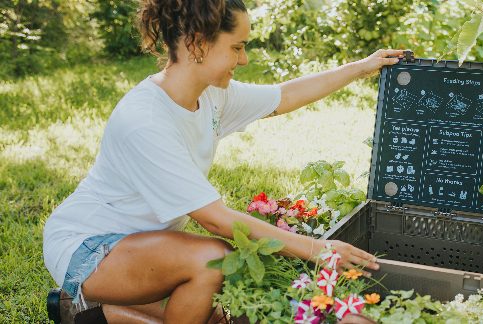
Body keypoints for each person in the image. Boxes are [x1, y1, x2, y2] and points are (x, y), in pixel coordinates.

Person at [42, 0, 405, 322]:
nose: (244, 60)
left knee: (217, 315)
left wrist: (363, 67)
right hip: (89, 249)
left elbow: (285, 95)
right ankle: (89, 296)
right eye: (237, 47)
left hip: (141, 244)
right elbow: (215, 220)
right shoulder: (145, 120)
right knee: (209, 259)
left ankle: (86, 313)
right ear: (197, 43)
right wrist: (316, 249)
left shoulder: (211, 95)